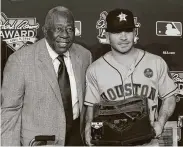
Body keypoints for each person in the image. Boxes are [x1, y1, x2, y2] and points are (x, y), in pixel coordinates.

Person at [84, 8, 177, 146]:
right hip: (111, 142)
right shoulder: (95, 69)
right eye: (117, 32)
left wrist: (161, 122)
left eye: (128, 31)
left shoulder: (156, 62)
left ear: (135, 32)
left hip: (148, 141)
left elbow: (170, 97)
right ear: (107, 35)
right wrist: (87, 128)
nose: (123, 37)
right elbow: (91, 107)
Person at [1, 6, 92, 146]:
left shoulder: (84, 56)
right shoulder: (20, 60)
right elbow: (9, 111)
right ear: (45, 31)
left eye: (70, 29)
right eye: (58, 29)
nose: (65, 35)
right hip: (39, 142)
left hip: (76, 139)